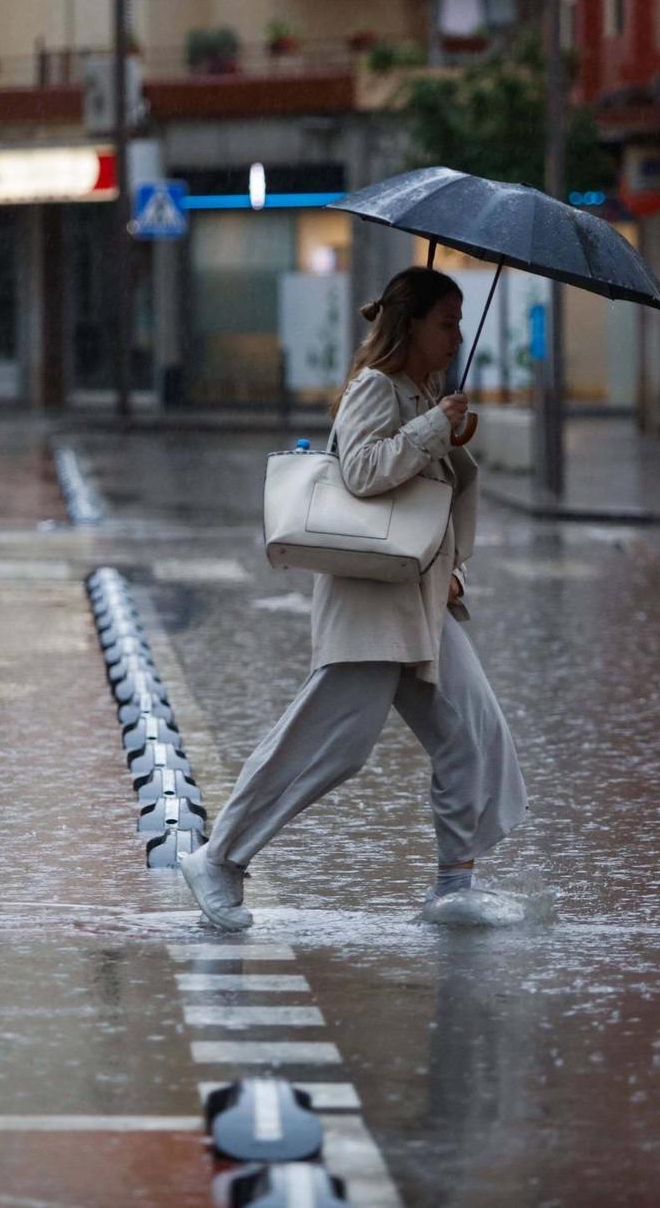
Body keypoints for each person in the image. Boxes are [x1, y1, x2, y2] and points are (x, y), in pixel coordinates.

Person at [180, 266, 527, 930]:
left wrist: (449, 560)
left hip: (420, 603)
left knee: (469, 730)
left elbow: (422, 507)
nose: (456, 336)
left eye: (459, 323)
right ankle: (220, 856)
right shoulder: (375, 387)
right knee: (330, 742)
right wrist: (432, 429)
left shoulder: (422, 392)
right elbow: (362, 471)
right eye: (446, 322)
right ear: (412, 324)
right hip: (372, 605)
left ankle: (453, 885)